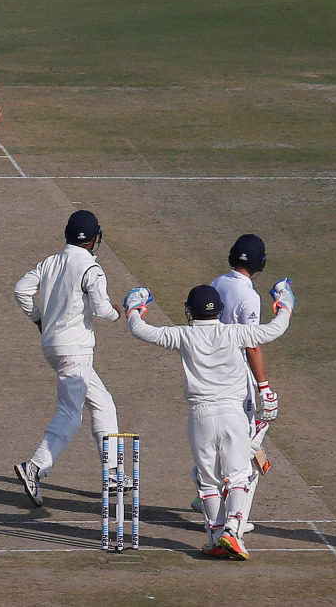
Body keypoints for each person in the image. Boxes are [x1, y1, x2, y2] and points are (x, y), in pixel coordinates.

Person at [126, 280, 295, 560]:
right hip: (232, 415)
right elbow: (275, 329)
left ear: (190, 311)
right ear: (219, 311)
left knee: (207, 480)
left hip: (200, 417)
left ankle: (218, 538)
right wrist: (285, 300)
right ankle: (231, 530)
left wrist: (136, 303)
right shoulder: (234, 332)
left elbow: (139, 329)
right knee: (239, 475)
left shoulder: (183, 335)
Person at [11, 211, 123, 507]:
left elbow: (21, 289)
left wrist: (39, 319)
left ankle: (112, 474)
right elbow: (102, 310)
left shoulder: (50, 262)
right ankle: (35, 466)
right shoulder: (91, 268)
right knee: (71, 414)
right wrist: (119, 311)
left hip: (53, 346)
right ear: (95, 239)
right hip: (76, 350)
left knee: (102, 401)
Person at [190, 234, 277, 532]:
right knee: (242, 444)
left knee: (220, 440)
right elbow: (252, 343)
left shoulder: (219, 281)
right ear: (259, 263)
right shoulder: (249, 296)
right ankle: (235, 523)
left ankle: (208, 495)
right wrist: (264, 387)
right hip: (237, 376)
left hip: (212, 369)